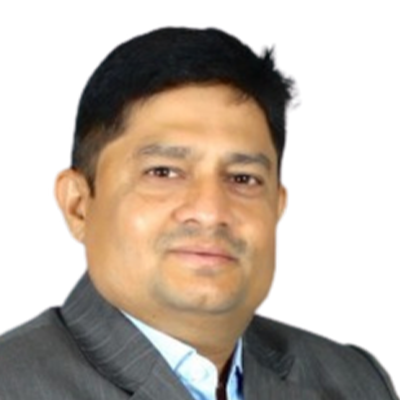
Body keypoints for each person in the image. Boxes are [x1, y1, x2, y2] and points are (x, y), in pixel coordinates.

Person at [0, 24, 398, 400]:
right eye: (163, 172)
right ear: (77, 205)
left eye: (243, 178)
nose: (210, 211)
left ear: (278, 208)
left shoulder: (354, 380)